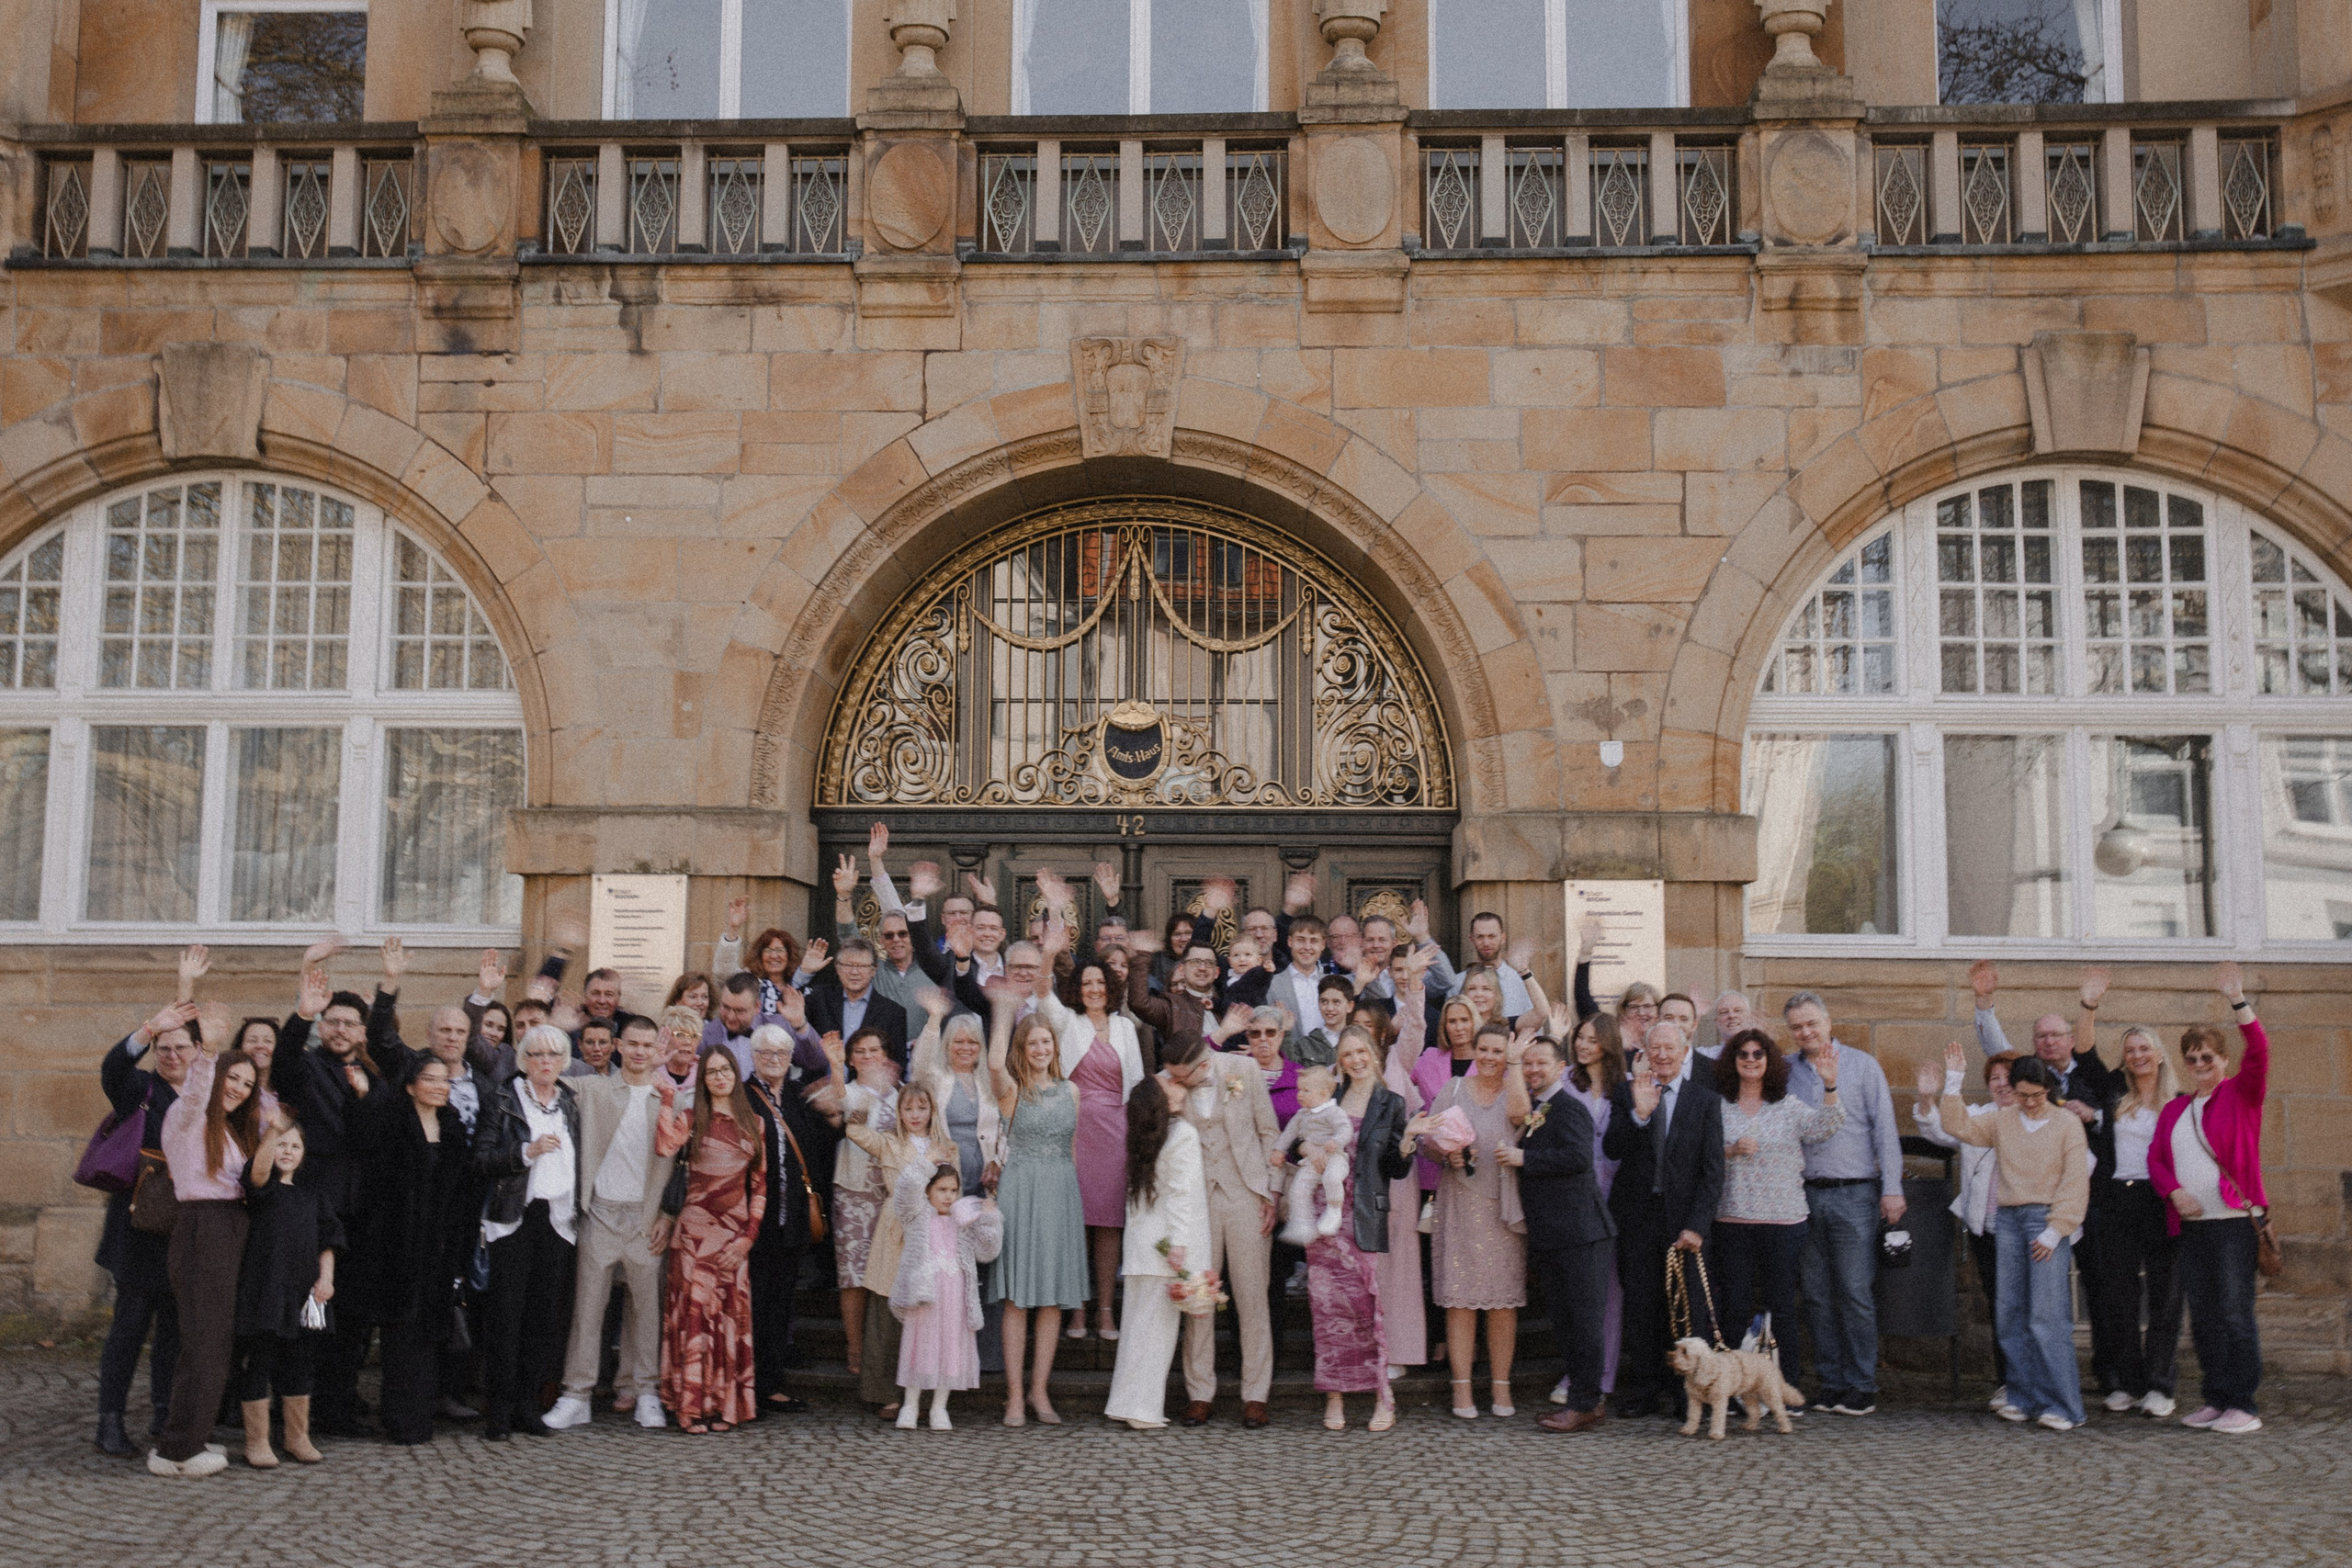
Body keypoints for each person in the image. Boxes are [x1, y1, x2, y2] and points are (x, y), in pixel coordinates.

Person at [1968, 957, 2119, 1396]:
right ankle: (2020, 1383)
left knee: (2099, 1288)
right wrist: (1984, 1002)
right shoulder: (2027, 1078)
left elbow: (2120, 1117)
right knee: (2021, 1302)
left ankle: (2109, 1379)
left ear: (2071, 1039)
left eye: (2057, 1034)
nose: (2049, 1042)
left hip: (2088, 1202)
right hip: (2033, 1206)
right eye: (2041, 1036)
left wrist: (2091, 1115)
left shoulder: (2092, 1074)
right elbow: (1997, 1049)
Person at [1932, 1043, 2092, 1431]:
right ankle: (2021, 1395)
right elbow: (1959, 1127)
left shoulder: (2066, 1124)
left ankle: (2063, 1405)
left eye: (2037, 1095)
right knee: (2011, 1314)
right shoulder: (2004, 1120)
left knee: (2047, 1316)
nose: (2030, 1102)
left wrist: (2058, 1230)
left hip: (2046, 1220)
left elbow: (2075, 1180)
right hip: (2007, 1220)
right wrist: (1952, 1080)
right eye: (2022, 1095)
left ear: (2048, 1090)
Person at [545, 1017, 683, 1432]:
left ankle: (645, 1390)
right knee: (588, 1307)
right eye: (633, 1044)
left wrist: (667, 1214)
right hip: (601, 1212)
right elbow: (546, 1071)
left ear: (657, 1050)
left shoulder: (671, 1099)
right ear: (619, 1045)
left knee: (646, 1309)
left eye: (648, 1045)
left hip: (645, 1216)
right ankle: (577, 1394)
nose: (640, 1052)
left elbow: (682, 1165)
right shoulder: (594, 1088)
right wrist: (561, 1027)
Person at [2150, 963, 2269, 1436]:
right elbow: (2157, 1158)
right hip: (2193, 1226)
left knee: (2234, 1311)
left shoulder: (2242, 1093)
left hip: (2234, 1222)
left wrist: (2238, 1001)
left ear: (2223, 1061)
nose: (2201, 1066)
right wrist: (2174, 1191)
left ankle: (2244, 1403)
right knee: (2202, 1316)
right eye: (2193, 1059)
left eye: (2208, 1058)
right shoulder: (2177, 1107)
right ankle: (2216, 1399)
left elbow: (2259, 1050)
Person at [150, 1042, 278, 1477]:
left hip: (225, 1228)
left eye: (247, 1083)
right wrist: (206, 1054)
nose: (240, 1089)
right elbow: (194, 1093)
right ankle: (177, 1451)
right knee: (205, 1342)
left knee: (212, 1340)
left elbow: (265, 1110)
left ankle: (190, 1433)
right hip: (205, 1227)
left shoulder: (227, 1130)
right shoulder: (188, 1119)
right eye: (233, 1078)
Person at [1781, 989, 1905, 1417]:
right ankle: (1830, 1383)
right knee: (1814, 1294)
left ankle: (1861, 1384)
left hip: (1855, 1193)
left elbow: (1885, 1131)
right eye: (1796, 1026)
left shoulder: (1862, 1066)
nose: (1805, 1032)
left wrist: (1892, 1189)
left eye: (1812, 1023)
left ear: (1828, 1022)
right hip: (1803, 1195)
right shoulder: (1786, 1071)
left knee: (1854, 1291)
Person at [93, 998, 199, 1458]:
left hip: (185, 1229)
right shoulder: (141, 1088)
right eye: (164, 1048)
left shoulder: (204, 1092)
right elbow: (113, 1068)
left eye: (180, 1048)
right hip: (138, 1228)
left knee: (175, 1329)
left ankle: (164, 1412)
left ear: (197, 1051)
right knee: (130, 1327)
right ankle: (109, 1421)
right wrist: (149, 1028)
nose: (172, 1056)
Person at [2076, 965, 2185, 1420]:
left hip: (2160, 1202)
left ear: (2159, 1055)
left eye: (2145, 1049)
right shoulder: (2115, 1092)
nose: (2138, 1055)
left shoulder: (2179, 1101)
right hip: (2117, 1200)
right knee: (2117, 1294)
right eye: (2131, 1050)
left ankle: (2160, 1385)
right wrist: (2089, 1004)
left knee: (2164, 1296)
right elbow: (2083, 1054)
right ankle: (2126, 1381)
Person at [1602, 1021, 1724, 1421]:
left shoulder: (1704, 1101)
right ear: (1646, 1051)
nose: (1663, 1056)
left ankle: (1687, 1393)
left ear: (1685, 1050)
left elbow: (1712, 1171)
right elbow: (1612, 1147)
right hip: (1638, 1218)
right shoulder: (1626, 1092)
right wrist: (1638, 1114)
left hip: (1682, 1222)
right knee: (1640, 1305)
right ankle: (1643, 1390)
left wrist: (1698, 1225)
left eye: (1671, 1048)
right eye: (1656, 1049)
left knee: (1685, 1308)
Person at [1711, 1028, 1843, 1393]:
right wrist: (1730, 1150)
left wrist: (1830, 1087)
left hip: (1783, 1220)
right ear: (1733, 1061)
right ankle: (1733, 1387)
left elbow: (1824, 1127)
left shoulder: (1787, 1104)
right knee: (1735, 1306)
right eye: (1743, 1055)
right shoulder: (1718, 1106)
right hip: (1732, 1218)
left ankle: (1785, 1387)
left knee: (1781, 1305)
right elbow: (1700, 1154)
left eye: (1758, 1054)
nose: (1751, 1060)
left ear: (1769, 1061)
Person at [352, 1056, 474, 1446]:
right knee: (400, 1334)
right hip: (395, 1247)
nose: (441, 1086)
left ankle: (422, 1415)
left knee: (430, 1333)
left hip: (439, 1248)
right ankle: (399, 1418)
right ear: (410, 1085)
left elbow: (460, 1194)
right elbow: (377, 1187)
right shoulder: (391, 1125)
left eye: (445, 1081)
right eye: (431, 1080)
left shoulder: (453, 1128)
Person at [1035, 917, 1145, 1344]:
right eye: (1086, 983)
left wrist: (1138, 1142)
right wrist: (1048, 953)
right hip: (1074, 1130)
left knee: (1108, 1225)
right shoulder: (1068, 1024)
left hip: (1115, 1133)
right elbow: (1042, 994)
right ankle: (1076, 1308)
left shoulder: (1125, 1028)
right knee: (1074, 1222)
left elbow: (1135, 1087)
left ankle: (1104, 1308)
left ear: (1110, 987)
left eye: (1100, 982)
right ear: (1078, 989)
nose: (1094, 989)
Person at [985, 975, 1088, 1426]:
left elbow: (1071, 1147)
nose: (1041, 1049)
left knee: (1051, 1300)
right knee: (1017, 1301)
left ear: (1055, 1047)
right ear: (1023, 1050)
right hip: (1021, 1191)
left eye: (1046, 1041)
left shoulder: (1073, 1091)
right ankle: (1011, 1396)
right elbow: (992, 1064)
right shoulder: (1011, 1091)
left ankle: (1040, 1392)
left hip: (1061, 1191)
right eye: (1033, 1044)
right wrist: (1004, 1010)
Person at [1176, 1001, 1283, 1429]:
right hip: (1197, 1201)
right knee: (1200, 1298)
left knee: (1252, 1298)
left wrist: (1271, 1191)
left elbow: (1269, 1131)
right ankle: (1200, 1391)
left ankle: (1255, 1393)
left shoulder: (1243, 1071)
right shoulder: (1175, 1081)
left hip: (1244, 1194)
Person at [473, 1024, 582, 1440]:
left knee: (542, 1320)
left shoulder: (569, 1101)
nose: (545, 1062)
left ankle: (527, 1405)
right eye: (537, 1055)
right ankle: (498, 1411)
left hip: (557, 1220)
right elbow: (481, 1160)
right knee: (506, 1318)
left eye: (554, 1055)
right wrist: (526, 1152)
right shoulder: (503, 1098)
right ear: (523, 1060)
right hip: (513, 1218)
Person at [1419, 1020, 1532, 1419]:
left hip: (1503, 1206)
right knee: (1460, 1302)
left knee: (1503, 1303)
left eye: (1497, 1051)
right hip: (1460, 1204)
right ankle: (1461, 1388)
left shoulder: (1515, 1089)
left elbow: (1521, 1117)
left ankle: (1502, 1386)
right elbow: (1425, 1138)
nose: (1488, 1057)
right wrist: (1443, 1153)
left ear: (1507, 1055)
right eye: (1483, 1050)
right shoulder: (1452, 1090)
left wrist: (1516, 1068)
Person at [1301, 1027, 1411, 1431]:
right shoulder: (1328, 1098)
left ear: (1374, 1054)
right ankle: (1335, 1396)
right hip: (1324, 1213)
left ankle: (1383, 1394)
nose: (1356, 1059)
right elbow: (1302, 1134)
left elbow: (1396, 1170)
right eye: (1347, 1054)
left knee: (1366, 1308)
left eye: (1362, 1051)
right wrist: (1307, 1150)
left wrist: (1408, 1142)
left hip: (1362, 1213)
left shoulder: (1391, 1103)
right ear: (1340, 1060)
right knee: (1327, 1307)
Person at [1103, 1040, 1213, 1430]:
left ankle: (1125, 1402)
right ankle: (1142, 1409)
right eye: (1168, 1085)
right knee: (1156, 1337)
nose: (1176, 1084)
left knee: (1137, 1331)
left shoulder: (1144, 1141)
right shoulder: (1180, 1134)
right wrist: (1181, 1245)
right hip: (1167, 1248)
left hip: (1142, 1249)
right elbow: (1183, 1196)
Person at [658, 1043, 764, 1433]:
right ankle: (689, 1407)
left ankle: (724, 1405)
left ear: (736, 1075)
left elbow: (760, 1185)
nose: (719, 1077)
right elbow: (665, 1146)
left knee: (728, 1319)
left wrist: (748, 1238)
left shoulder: (755, 1122)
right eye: (711, 1072)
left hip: (735, 1235)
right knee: (695, 1315)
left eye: (725, 1070)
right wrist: (669, 1096)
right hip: (694, 1233)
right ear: (702, 1080)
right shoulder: (692, 1117)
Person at [1515, 1034, 1615, 1436]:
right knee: (1566, 1321)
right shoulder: (1537, 1108)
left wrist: (1526, 1158)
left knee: (1585, 1321)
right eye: (1527, 1063)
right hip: (1553, 1234)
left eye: (1541, 1063)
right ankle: (1582, 1398)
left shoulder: (1569, 1107)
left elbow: (1578, 1158)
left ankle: (1586, 1403)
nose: (1534, 1070)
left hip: (1581, 1232)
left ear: (1561, 1067)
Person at [1913, 1047, 2022, 1410]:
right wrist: (1929, 1097)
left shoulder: (2035, 1117)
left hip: (2025, 1230)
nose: (2001, 1085)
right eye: (1994, 1078)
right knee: (1999, 1306)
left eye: (2008, 1078)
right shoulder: (1978, 1116)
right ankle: (2008, 1382)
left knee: (2028, 1308)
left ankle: (2034, 1382)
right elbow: (1941, 1128)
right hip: (1987, 1229)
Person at [232, 1120, 340, 1468]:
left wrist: (326, 1280)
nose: (287, 1152)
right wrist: (271, 1134)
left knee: (300, 1364)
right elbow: (257, 1176)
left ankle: (297, 1437)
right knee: (260, 1362)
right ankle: (258, 1441)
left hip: (305, 1294)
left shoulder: (312, 1194)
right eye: (282, 1145)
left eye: (295, 1146)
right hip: (266, 1290)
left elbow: (328, 1240)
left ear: (304, 1154)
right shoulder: (262, 1191)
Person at [846, 1055, 948, 1416]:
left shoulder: (944, 1146)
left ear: (932, 1110)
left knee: (925, 1313)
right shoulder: (890, 1143)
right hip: (894, 1230)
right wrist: (867, 1095)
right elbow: (855, 1132)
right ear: (900, 1112)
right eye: (909, 1108)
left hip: (931, 1228)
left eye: (922, 1107)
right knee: (886, 1311)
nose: (916, 1114)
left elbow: (955, 1186)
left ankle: (920, 1392)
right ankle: (884, 1391)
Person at [742, 1021, 831, 1415]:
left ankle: (772, 1384)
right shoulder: (742, 1095)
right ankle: (746, 1388)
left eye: (781, 1054)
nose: (773, 1060)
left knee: (779, 1305)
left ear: (791, 1059)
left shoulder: (797, 1096)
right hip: (751, 1218)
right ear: (754, 1057)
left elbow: (827, 1129)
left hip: (790, 1218)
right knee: (751, 1305)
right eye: (765, 1053)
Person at [888, 1162, 1004, 1430]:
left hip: (955, 1298)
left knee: (950, 1348)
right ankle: (911, 1404)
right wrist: (925, 1164)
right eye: (941, 1189)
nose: (948, 1196)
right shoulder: (918, 1216)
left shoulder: (963, 1221)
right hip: (925, 1298)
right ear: (927, 1191)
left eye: (953, 1190)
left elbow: (987, 1251)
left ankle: (939, 1407)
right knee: (922, 1347)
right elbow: (905, 1191)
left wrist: (988, 1217)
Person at [1552, 1008, 1626, 1409]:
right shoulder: (1565, 1083)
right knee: (1577, 1296)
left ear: (1608, 1045)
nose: (1583, 1045)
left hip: (1614, 1200)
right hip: (1574, 1199)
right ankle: (1577, 1373)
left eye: (1592, 1040)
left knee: (1609, 1294)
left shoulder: (1627, 1087)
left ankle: (1604, 1377)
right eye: (1579, 1038)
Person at [820, 1026, 901, 1380]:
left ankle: (884, 1354)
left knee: (889, 1275)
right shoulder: (847, 1089)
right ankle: (854, 1346)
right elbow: (839, 1105)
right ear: (851, 1059)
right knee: (853, 1274)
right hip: (853, 1193)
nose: (868, 1057)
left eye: (874, 1050)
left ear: (886, 1055)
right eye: (861, 1052)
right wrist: (835, 1068)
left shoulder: (901, 1096)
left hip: (891, 1194)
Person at [802, 929, 912, 1069]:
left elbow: (897, 1066)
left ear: (874, 970)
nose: (854, 972)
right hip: (822, 1088)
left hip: (868, 1089)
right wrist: (804, 973)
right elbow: (788, 1015)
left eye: (861, 966)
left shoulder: (893, 1012)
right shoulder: (819, 999)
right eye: (848, 965)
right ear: (837, 967)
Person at [1272, 1067, 1352, 1245]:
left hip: (1335, 1158)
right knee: (1298, 1188)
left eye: (1306, 1090)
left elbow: (1346, 1128)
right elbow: (1288, 1133)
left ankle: (1334, 1210)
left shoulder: (1333, 1111)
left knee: (1332, 1178)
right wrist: (1279, 1150)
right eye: (1299, 1089)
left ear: (1323, 1094)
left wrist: (1337, 1141)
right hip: (1311, 1162)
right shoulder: (1301, 1115)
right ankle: (1302, 1224)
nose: (1300, 1094)